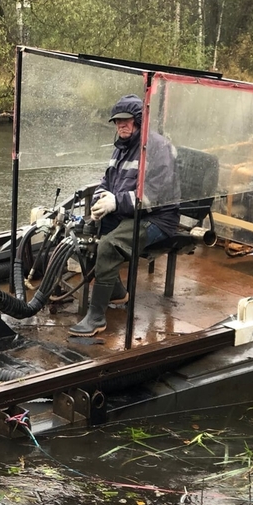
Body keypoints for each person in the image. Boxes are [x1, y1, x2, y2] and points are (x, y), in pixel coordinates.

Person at [69, 94, 180, 336]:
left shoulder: (158, 148)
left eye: (126, 120)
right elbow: (106, 181)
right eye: (117, 121)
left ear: (139, 120)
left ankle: (96, 317)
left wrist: (116, 202)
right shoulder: (122, 146)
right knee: (87, 235)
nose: (121, 125)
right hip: (128, 212)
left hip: (158, 219)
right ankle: (118, 292)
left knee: (109, 245)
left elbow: (154, 196)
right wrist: (101, 199)